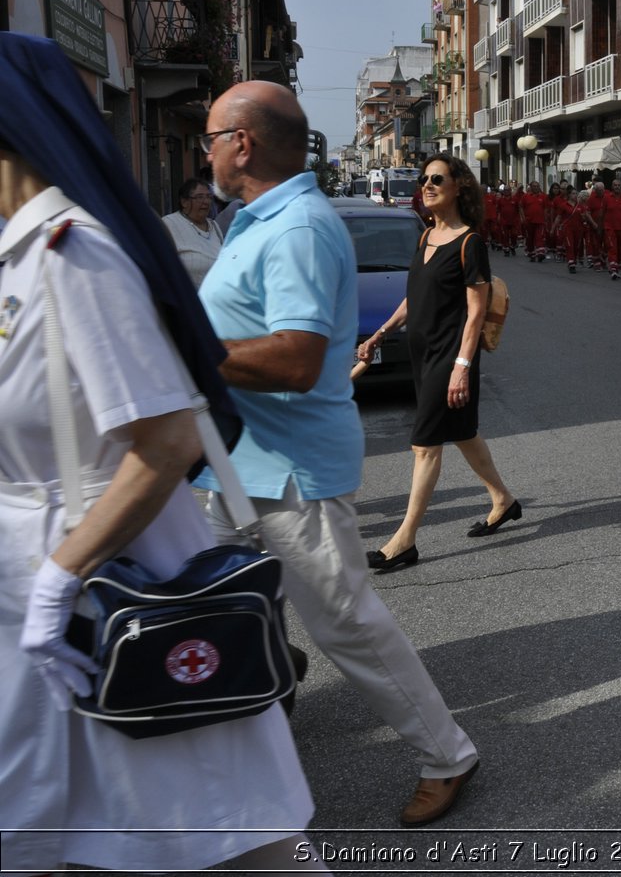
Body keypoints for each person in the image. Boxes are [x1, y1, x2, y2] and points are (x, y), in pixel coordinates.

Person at [0, 33, 322, 873]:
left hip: (107, 575)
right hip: (39, 576)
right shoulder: (19, 257)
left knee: (215, 829)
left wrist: (57, 580)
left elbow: (168, 438)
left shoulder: (74, 257)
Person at [195, 81, 480, 825]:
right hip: (236, 460)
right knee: (210, 598)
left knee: (348, 622)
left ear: (244, 143)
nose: (207, 151)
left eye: (210, 138)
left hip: (288, 469)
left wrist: (187, 349)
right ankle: (269, 671)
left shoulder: (295, 228)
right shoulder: (254, 219)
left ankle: (447, 753)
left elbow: (294, 358)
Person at [360, 155, 521, 568]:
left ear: (458, 187)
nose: (426, 185)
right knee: (463, 431)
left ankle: (404, 540)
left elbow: (475, 312)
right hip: (422, 353)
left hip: (450, 358)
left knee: (425, 445)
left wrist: (462, 367)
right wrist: (381, 333)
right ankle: (503, 500)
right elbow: (416, 297)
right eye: (423, 179)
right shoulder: (425, 237)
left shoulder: (470, 243)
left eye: (437, 179)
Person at [162, 175, 226, 289]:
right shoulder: (170, 223)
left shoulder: (214, 225)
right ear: (184, 202)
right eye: (199, 197)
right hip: (187, 299)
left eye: (209, 197)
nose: (206, 202)